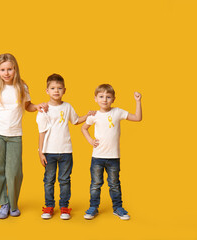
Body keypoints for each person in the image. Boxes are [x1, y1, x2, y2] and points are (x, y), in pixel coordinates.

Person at [0, 53, 47, 219]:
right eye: (3, 70)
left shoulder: (22, 87)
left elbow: (28, 106)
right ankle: (3, 203)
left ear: (15, 69)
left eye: (10, 69)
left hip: (15, 136)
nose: (6, 73)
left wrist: (38, 106)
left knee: (14, 172)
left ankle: (13, 203)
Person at [36, 74, 94, 220]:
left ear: (64, 90)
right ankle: (49, 206)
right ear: (47, 90)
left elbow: (75, 121)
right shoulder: (43, 109)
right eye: (53, 88)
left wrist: (87, 115)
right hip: (49, 151)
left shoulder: (67, 107)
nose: (56, 91)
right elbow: (41, 132)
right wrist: (40, 152)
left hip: (66, 151)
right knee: (49, 180)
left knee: (65, 180)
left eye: (59, 88)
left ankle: (64, 207)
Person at [81, 84, 142, 220]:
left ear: (113, 99)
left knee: (114, 184)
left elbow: (137, 118)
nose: (105, 100)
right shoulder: (94, 115)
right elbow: (84, 128)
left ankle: (118, 208)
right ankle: (93, 207)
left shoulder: (118, 112)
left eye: (108, 97)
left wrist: (138, 101)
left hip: (113, 157)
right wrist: (90, 140)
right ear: (95, 99)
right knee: (96, 184)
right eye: (101, 97)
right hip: (97, 157)